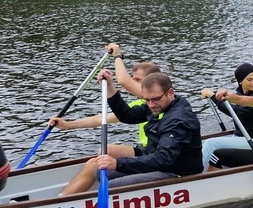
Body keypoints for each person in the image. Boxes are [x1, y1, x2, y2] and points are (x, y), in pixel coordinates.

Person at [60, 72, 202, 195]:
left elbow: (163, 159)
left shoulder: (179, 120)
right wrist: (110, 88)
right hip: (159, 161)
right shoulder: (158, 105)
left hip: (177, 172)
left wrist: (118, 163)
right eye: (147, 100)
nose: (151, 104)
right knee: (100, 172)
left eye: (155, 99)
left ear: (170, 93)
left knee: (112, 185)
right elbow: (127, 116)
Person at [49, 44, 161, 156]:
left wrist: (117, 56)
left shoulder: (161, 101)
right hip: (147, 149)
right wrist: (68, 125)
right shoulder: (141, 104)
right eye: (133, 79)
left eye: (137, 80)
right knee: (104, 151)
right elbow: (102, 119)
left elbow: (124, 81)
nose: (133, 82)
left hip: (162, 153)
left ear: (151, 82)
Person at [200, 63, 253, 169]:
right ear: (240, 81)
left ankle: (197, 177)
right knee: (203, 143)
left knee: (210, 144)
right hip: (241, 137)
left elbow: (237, 112)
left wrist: (213, 97)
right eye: (249, 80)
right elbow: (231, 104)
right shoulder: (238, 94)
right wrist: (214, 95)